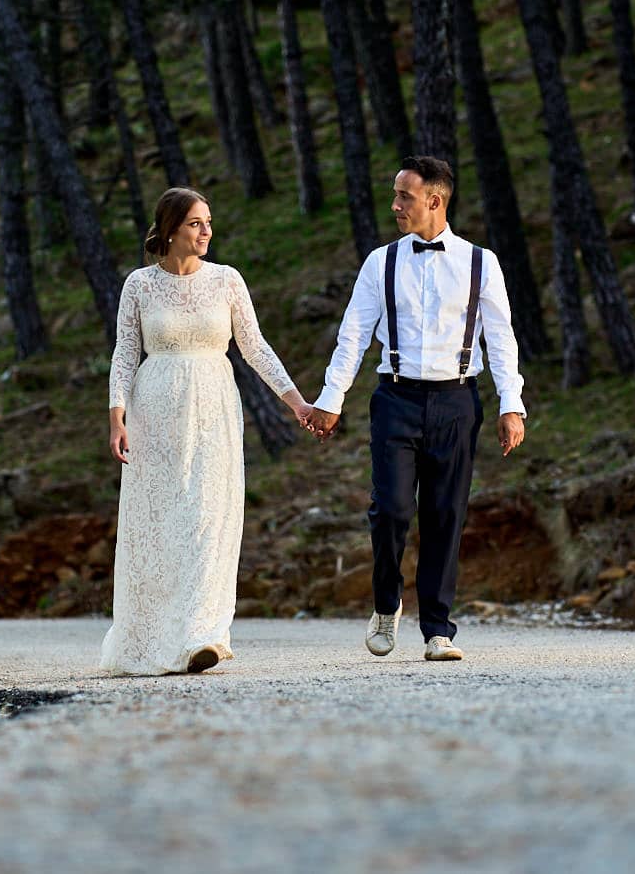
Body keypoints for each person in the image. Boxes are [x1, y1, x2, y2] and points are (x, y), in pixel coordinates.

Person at [307, 157, 526, 662]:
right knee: (392, 510)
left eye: (404, 196)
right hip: (396, 398)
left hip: (457, 400)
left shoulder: (480, 262)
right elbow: (354, 336)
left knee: (446, 515)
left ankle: (437, 630)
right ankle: (387, 605)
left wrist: (511, 406)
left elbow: (502, 338)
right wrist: (330, 400)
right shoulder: (380, 262)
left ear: (435, 200)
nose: (395, 205)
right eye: (395, 194)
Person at [102, 187, 313, 676]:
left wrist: (297, 402)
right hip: (154, 411)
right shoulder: (139, 285)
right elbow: (125, 353)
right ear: (172, 228)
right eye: (197, 224)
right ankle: (152, 636)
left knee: (207, 517)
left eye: (209, 223)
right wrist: (117, 416)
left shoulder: (227, 281)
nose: (206, 232)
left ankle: (203, 636)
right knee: (157, 525)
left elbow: (255, 347)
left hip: (214, 407)